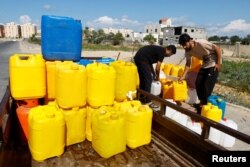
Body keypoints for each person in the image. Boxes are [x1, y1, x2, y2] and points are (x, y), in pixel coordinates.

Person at [178, 34, 222, 114]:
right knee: (198, 83)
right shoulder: (187, 51)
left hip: (213, 64)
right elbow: (188, 64)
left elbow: (218, 49)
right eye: (182, 45)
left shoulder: (200, 43)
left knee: (206, 86)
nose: (184, 47)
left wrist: (218, 64)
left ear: (190, 41)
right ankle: (202, 103)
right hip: (205, 64)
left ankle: (205, 107)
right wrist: (183, 76)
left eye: (185, 44)